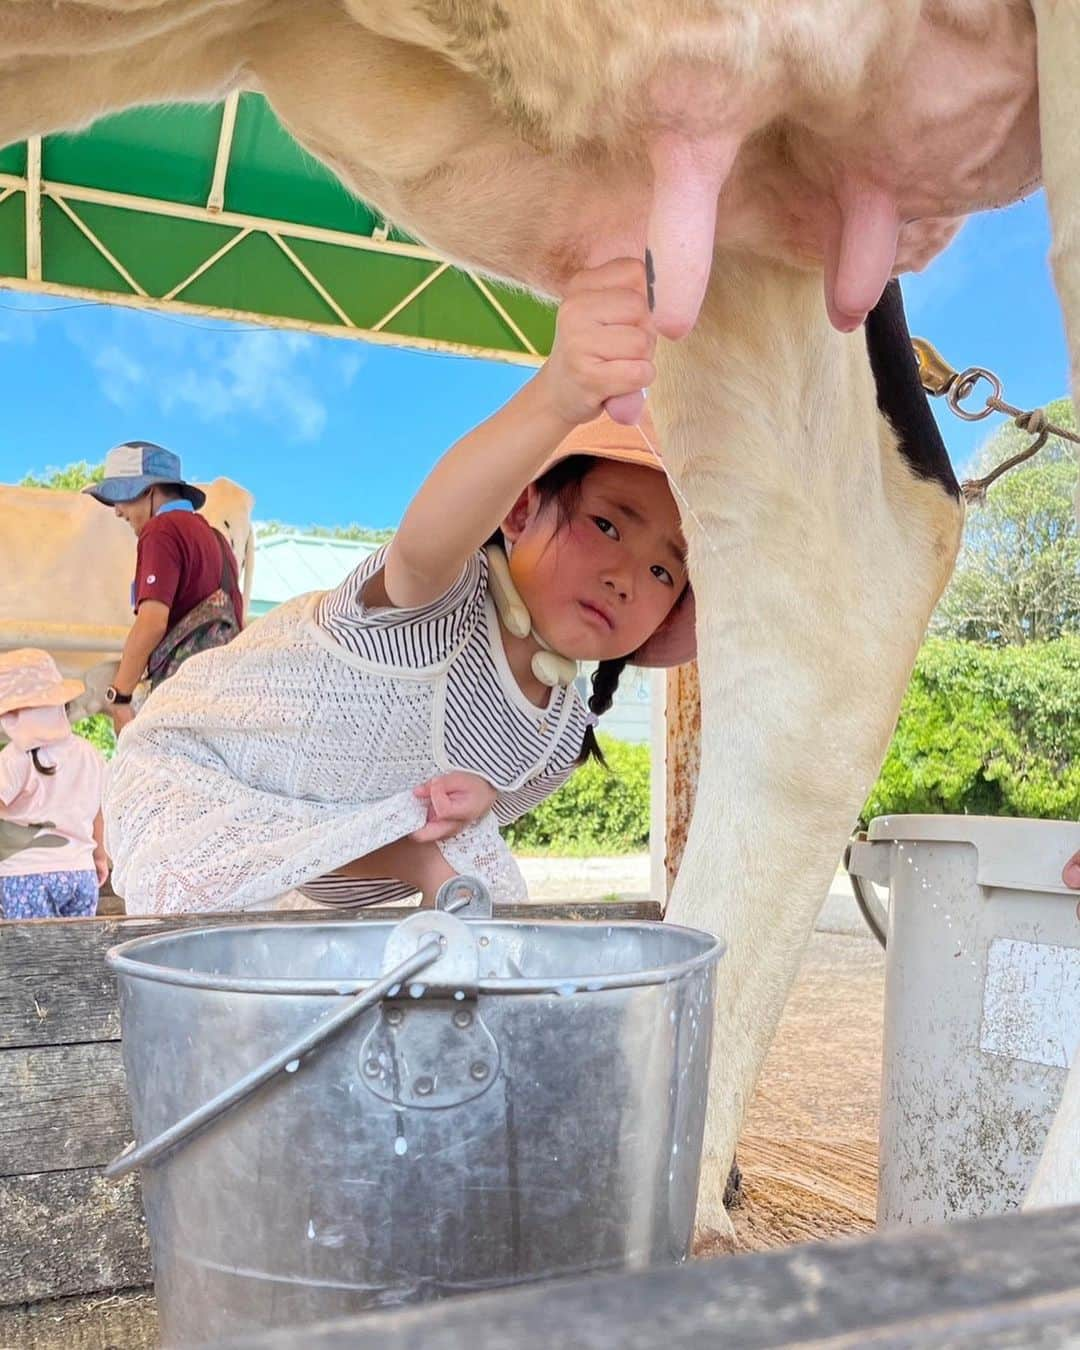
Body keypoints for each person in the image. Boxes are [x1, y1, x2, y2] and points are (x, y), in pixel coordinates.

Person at [104, 258, 696, 915]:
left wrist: (479, 800)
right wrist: (557, 396)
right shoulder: (443, 600)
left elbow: (471, 806)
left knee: (484, 880)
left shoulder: (557, 737)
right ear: (522, 512)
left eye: (664, 571)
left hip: (321, 887)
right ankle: (411, 861)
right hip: (198, 775)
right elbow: (423, 545)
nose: (625, 577)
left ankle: (411, 866)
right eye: (608, 525)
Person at [84, 442, 244, 732]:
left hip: (180, 704)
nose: (118, 512)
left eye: (121, 498)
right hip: (223, 702)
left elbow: (152, 623)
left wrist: (119, 697)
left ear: (148, 490)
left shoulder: (161, 530)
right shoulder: (218, 540)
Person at [0, 650, 108, 919]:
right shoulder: (89, 752)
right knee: (75, 958)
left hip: (24, 874)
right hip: (80, 874)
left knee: (32, 960)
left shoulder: (14, 757)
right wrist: (99, 857)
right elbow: (98, 812)